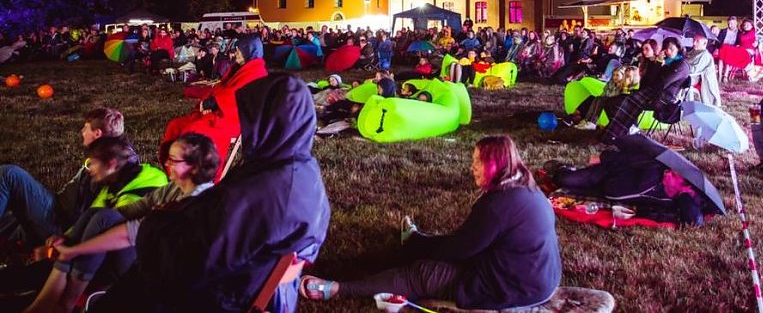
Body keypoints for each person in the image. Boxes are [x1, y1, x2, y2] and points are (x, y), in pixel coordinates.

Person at [89, 73, 331, 313]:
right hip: (252, 280)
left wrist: (157, 224)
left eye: (250, 119)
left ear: (268, 122)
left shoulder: (269, 189)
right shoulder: (298, 169)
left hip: (224, 294)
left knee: (143, 274)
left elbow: (200, 259)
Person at [299, 135, 561, 310]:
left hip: (513, 287)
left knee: (423, 273)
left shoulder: (497, 205)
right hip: (537, 277)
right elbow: (470, 242)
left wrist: (419, 246)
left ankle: (338, 289)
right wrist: (424, 242)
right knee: (430, 248)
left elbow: (458, 250)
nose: (472, 168)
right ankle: (406, 245)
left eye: (477, 162)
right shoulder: (525, 187)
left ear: (495, 166)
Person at [24, 134, 217, 312]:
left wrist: (76, 250)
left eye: (174, 160)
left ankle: (65, 301)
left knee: (103, 218)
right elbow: (136, 208)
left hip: (161, 274)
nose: (167, 164)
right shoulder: (176, 188)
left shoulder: (195, 203)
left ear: (194, 167)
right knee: (99, 213)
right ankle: (55, 296)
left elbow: (130, 234)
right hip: (147, 257)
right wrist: (70, 238)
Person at [0, 109, 125, 255]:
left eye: (85, 127)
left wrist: (66, 238)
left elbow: (90, 215)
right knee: (8, 216)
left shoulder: (107, 167)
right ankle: (18, 238)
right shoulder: (103, 156)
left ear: (97, 134)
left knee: (9, 174)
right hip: (56, 207)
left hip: (57, 222)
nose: (81, 131)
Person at [546, 135, 722, 226]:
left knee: (570, 190)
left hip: (607, 195)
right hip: (608, 173)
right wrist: (605, 157)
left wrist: (642, 214)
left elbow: (693, 221)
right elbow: (629, 159)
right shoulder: (658, 167)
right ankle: (563, 168)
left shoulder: (673, 201)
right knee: (565, 179)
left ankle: (571, 174)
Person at [160, 33, 268, 180]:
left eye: (238, 50)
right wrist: (210, 101)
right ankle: (174, 172)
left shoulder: (257, 72)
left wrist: (214, 103)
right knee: (175, 126)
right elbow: (222, 88)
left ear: (249, 50)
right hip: (222, 112)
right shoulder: (239, 68)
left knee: (192, 132)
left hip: (235, 119)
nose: (235, 53)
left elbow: (237, 96)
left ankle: (198, 178)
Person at [602, 37, 690, 141]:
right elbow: (653, 81)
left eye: (671, 48)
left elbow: (661, 84)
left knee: (620, 101)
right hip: (651, 93)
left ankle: (619, 132)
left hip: (662, 99)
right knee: (611, 102)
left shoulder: (681, 65)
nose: (668, 51)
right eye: (666, 48)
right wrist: (658, 63)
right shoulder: (666, 62)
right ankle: (623, 129)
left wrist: (658, 64)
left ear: (678, 48)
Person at [686, 33, 721, 107]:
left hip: (695, 79)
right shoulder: (694, 51)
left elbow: (693, 70)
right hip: (687, 75)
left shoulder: (705, 55)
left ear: (705, 43)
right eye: (694, 40)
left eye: (697, 41)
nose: (694, 43)